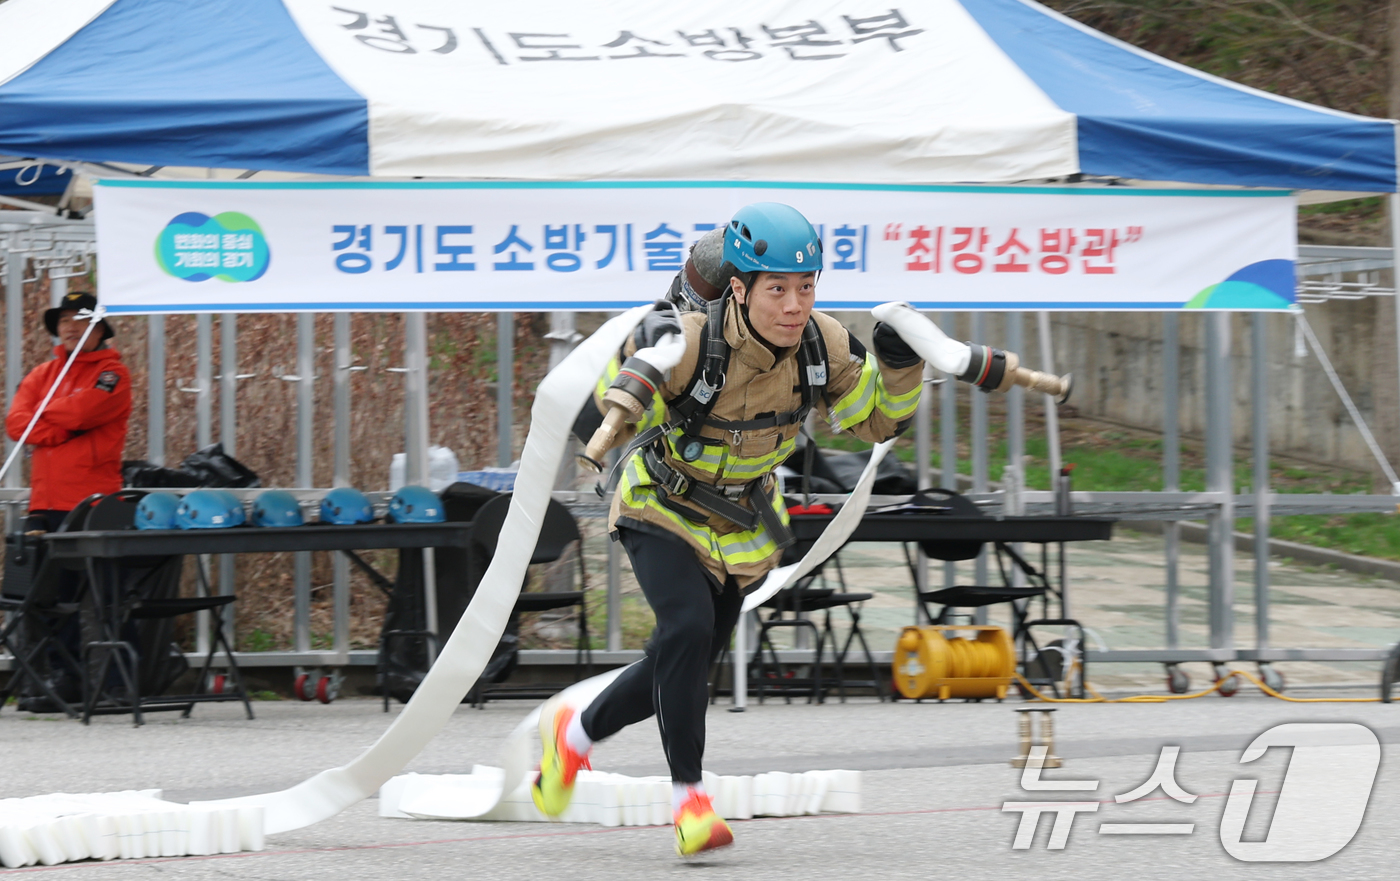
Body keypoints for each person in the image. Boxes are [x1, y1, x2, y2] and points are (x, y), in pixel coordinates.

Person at [532, 203, 926, 855]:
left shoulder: (822, 344)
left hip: (741, 521)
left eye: (806, 286)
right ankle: (691, 800)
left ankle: (571, 738)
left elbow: (874, 422)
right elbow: (616, 407)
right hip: (660, 500)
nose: (794, 304)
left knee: (678, 658)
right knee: (684, 628)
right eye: (777, 288)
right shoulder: (689, 340)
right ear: (739, 289)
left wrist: (901, 365)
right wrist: (632, 379)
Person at [5, 291, 130, 710]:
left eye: (81, 319)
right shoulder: (43, 373)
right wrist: (59, 424)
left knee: (100, 595)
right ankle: (60, 681)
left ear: (99, 330)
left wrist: (49, 418)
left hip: (92, 502)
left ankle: (112, 685)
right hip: (44, 501)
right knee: (45, 596)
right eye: (64, 320)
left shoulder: (113, 374)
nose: (71, 326)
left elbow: (83, 414)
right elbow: (17, 424)